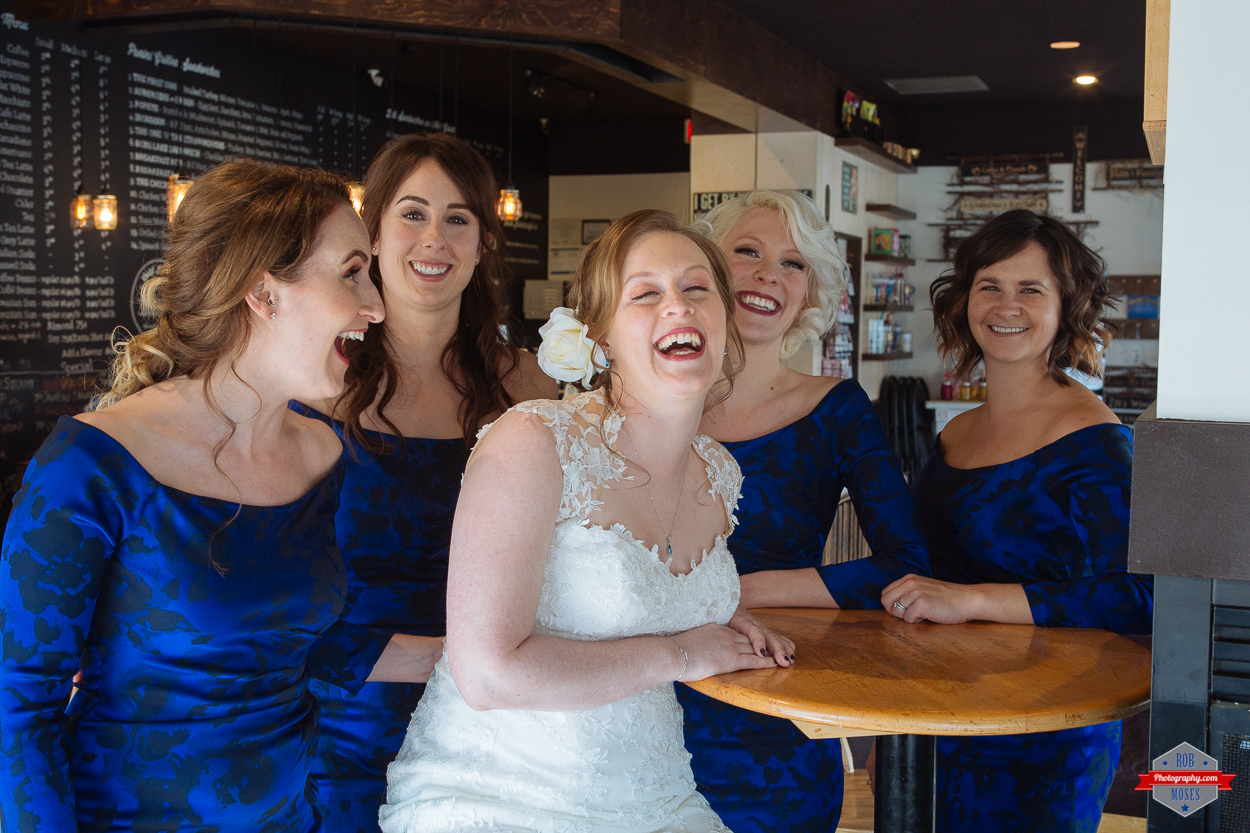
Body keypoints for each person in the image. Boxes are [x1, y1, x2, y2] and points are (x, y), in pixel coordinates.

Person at [379, 209, 795, 833]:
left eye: (697, 288)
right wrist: (683, 652)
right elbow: (487, 675)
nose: (678, 305)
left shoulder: (719, 471)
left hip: (657, 801)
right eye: (645, 294)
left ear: (725, 325)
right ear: (601, 340)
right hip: (499, 799)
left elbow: (641, 594)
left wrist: (720, 612)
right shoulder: (535, 441)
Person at [0, 161, 385, 831]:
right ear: (263, 293)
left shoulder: (329, 454)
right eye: (353, 272)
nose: (375, 304)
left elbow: (303, 641)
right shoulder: (88, 466)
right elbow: (18, 711)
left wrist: (470, 659)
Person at [290, 132, 556, 833]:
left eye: (457, 218)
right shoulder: (314, 382)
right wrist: (443, 659)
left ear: (484, 242)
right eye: (412, 213)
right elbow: (264, 589)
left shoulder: (532, 386)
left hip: (498, 733)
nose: (434, 238)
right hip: (345, 730)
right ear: (372, 234)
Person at [877, 209, 1153, 831]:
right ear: (964, 302)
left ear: (1067, 307)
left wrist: (974, 599)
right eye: (990, 286)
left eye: (1031, 288)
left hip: (1043, 730)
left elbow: (1139, 596)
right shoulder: (958, 432)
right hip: (938, 713)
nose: (1007, 306)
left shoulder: (1094, 439)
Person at [675, 190, 930, 833]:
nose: (769, 274)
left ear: (808, 293)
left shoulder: (838, 409)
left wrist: (740, 591)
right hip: (638, 700)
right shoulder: (643, 398)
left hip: (768, 711)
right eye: (748, 252)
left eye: (793, 264)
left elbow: (907, 563)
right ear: (705, 266)